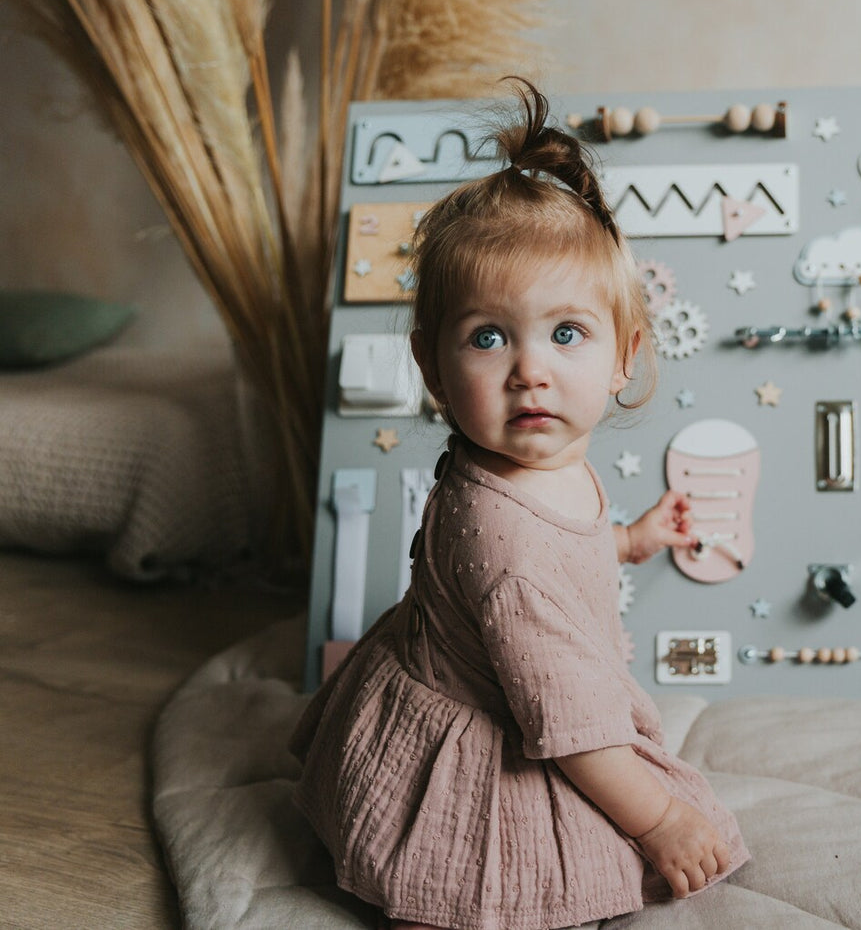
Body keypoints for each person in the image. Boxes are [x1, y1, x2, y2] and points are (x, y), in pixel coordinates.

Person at [290, 79, 748, 930]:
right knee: (468, 892)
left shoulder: (544, 466)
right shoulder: (502, 537)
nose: (529, 369)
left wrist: (625, 540)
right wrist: (660, 821)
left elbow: (559, 556)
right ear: (431, 367)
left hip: (509, 665)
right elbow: (571, 726)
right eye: (488, 336)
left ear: (624, 355)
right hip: (503, 721)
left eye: (565, 333)